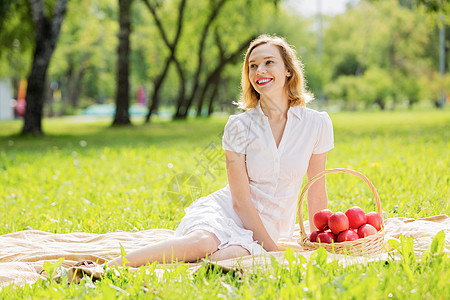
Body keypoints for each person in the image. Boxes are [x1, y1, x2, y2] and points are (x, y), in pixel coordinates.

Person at [106, 34, 334, 267]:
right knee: (202, 244)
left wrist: (324, 243)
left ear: (288, 70)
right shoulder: (239, 126)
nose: (259, 71)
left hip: (269, 227)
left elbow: (316, 191)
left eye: (268, 62)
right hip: (226, 214)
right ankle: (104, 268)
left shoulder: (316, 124)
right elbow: (240, 202)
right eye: (252, 66)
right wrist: (273, 252)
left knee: (223, 259)